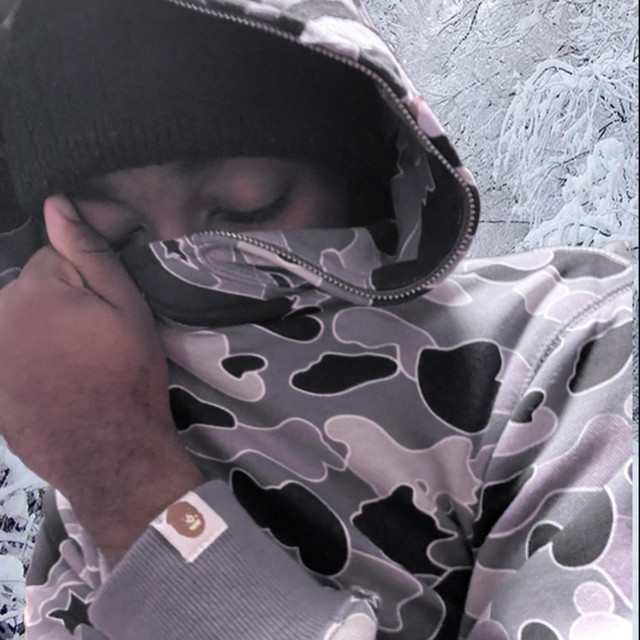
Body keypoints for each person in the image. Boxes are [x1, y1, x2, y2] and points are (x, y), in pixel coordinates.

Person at [0, 0, 633, 638]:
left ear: (364, 177)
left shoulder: (575, 346)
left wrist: (127, 483)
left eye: (247, 208)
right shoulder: (97, 398)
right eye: (114, 238)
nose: (176, 260)